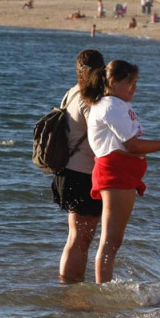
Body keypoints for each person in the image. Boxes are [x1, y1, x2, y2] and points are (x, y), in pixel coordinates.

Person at [81, 60, 160, 284]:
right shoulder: (110, 106)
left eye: (136, 82)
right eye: (130, 83)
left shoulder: (117, 105)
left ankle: (104, 286)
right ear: (112, 82)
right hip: (115, 174)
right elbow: (132, 146)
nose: (134, 88)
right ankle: (103, 289)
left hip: (122, 174)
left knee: (113, 240)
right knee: (110, 240)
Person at [52, 49, 106, 283]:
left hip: (66, 172)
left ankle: (68, 286)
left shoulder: (71, 93)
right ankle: (73, 288)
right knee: (82, 240)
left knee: (75, 237)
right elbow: (99, 142)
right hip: (83, 175)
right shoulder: (90, 99)